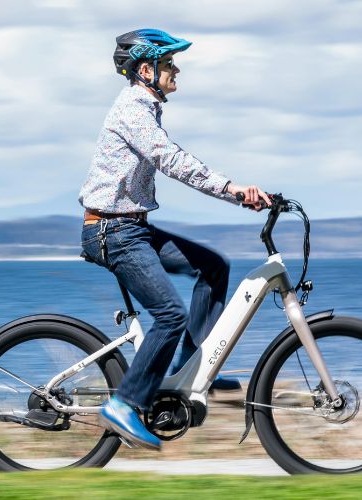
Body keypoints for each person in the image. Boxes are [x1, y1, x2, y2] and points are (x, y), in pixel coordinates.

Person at [78, 28, 272, 450]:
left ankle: (191, 368)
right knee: (169, 314)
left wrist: (239, 195)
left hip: (132, 227)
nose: (176, 69)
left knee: (213, 266)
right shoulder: (132, 109)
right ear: (146, 69)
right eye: (169, 64)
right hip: (113, 232)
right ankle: (124, 404)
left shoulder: (146, 106)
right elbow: (171, 159)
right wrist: (233, 189)